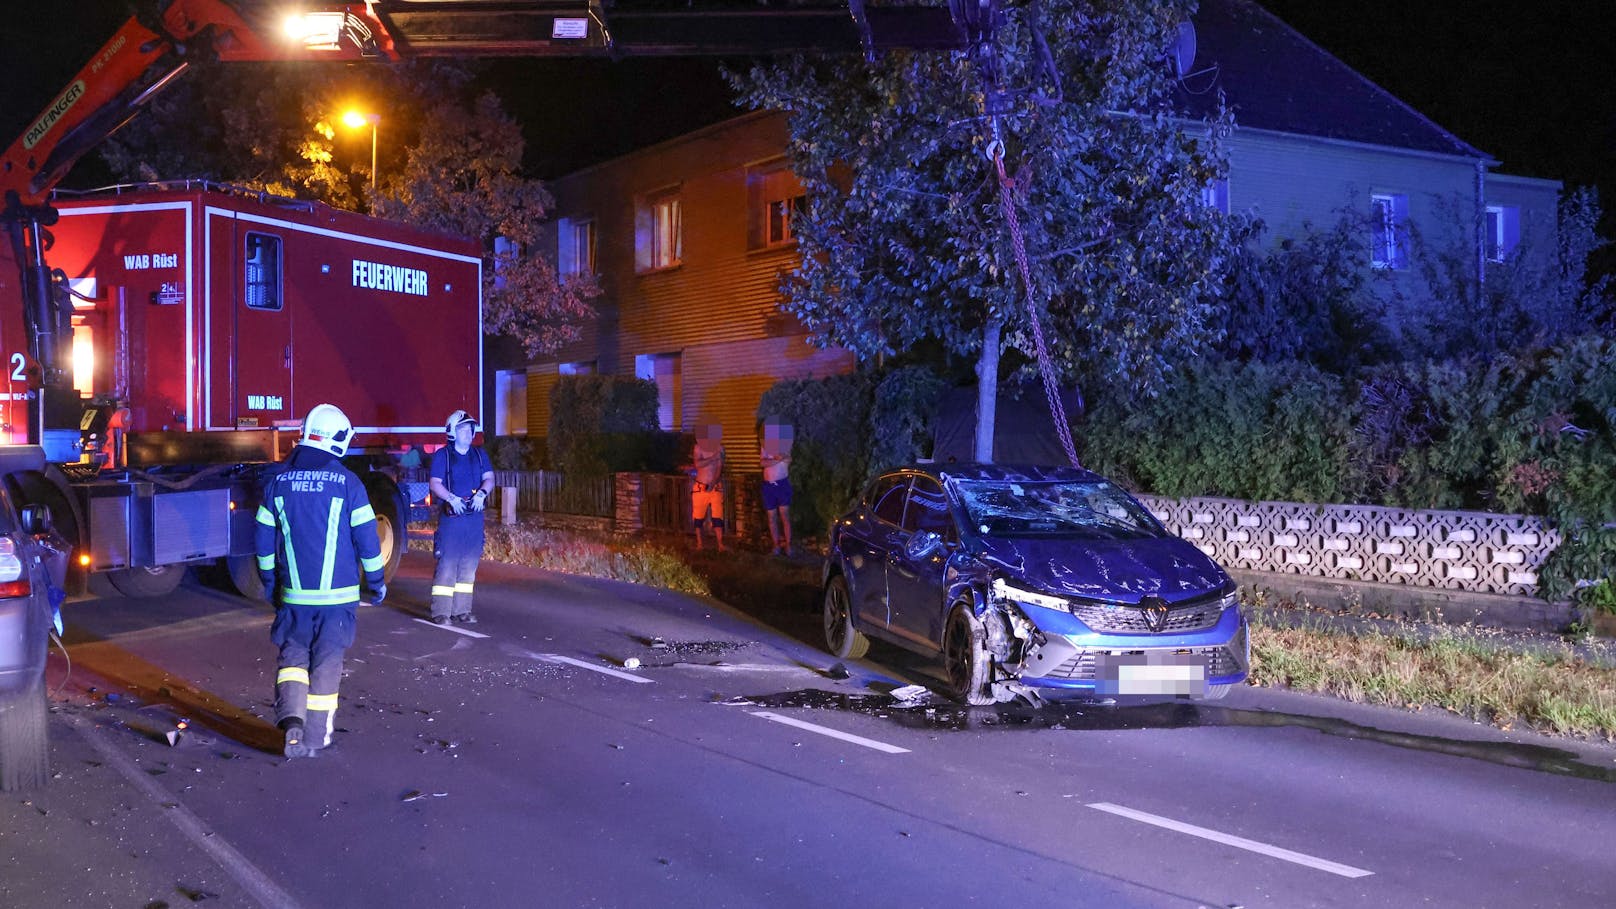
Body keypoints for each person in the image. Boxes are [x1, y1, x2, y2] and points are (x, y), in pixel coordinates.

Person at [256, 403, 386, 759]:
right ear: (337, 440)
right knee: (327, 663)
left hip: (294, 598)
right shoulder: (349, 483)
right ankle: (316, 737)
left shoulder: (277, 484)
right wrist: (376, 583)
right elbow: (368, 541)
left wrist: (270, 583)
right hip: (337, 602)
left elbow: (264, 543)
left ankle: (292, 723)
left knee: (293, 658)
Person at [428, 409, 493, 625]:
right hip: (452, 518)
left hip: (474, 518)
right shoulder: (443, 456)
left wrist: (482, 494)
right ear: (452, 432)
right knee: (448, 564)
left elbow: (489, 478)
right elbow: (435, 483)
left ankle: (462, 610)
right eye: (463, 428)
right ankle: (441, 612)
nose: (468, 432)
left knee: (469, 565)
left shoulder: (479, 454)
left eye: (470, 428)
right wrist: (451, 499)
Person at [759, 421, 794, 556]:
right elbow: (762, 462)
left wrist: (774, 460)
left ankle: (788, 546)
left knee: (784, 516)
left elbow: (788, 459)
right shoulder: (765, 446)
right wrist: (777, 459)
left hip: (782, 485)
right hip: (768, 486)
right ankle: (776, 546)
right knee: (771, 517)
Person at [690, 424, 726, 552]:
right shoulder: (698, 448)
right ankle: (700, 544)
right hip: (700, 487)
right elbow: (698, 464)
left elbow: (720, 467)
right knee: (698, 517)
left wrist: (713, 482)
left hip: (715, 487)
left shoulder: (719, 448)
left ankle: (720, 545)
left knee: (717, 516)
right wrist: (712, 458)